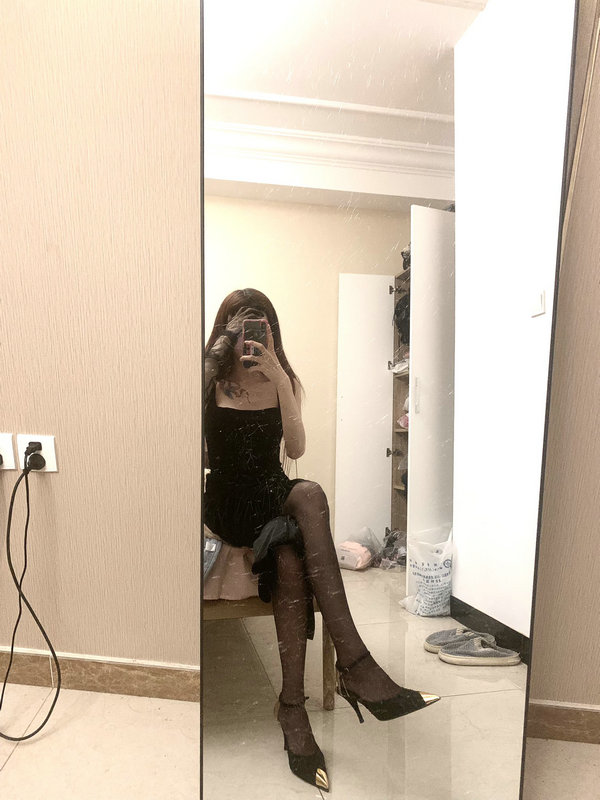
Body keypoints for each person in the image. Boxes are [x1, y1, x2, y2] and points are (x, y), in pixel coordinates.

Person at [204, 288, 439, 792]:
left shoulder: (281, 380)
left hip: (271, 490)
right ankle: (355, 666)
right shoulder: (209, 380)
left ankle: (293, 707)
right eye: (241, 326)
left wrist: (280, 381)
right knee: (309, 497)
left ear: (272, 332)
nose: (251, 336)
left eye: (261, 326)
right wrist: (215, 358)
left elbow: (295, 449)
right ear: (227, 329)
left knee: (296, 542)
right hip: (227, 500)